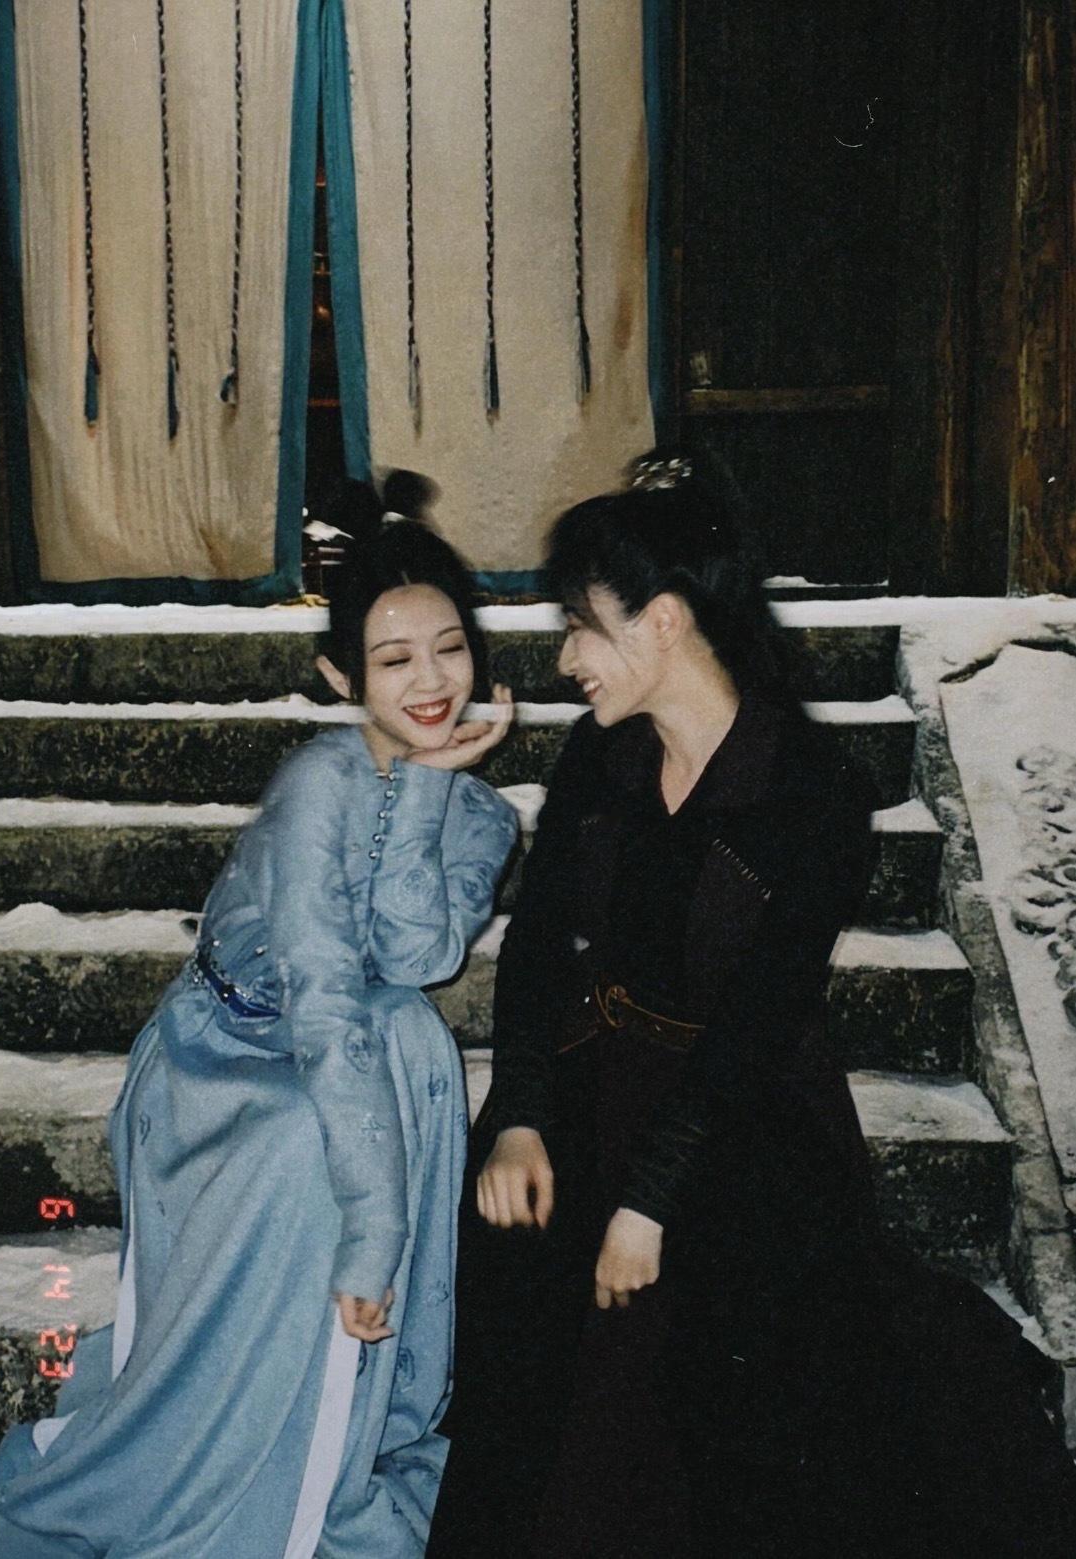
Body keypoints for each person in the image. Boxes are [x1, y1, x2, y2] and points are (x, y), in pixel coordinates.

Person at [427, 451, 1076, 1557]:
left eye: (582, 625)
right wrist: (522, 1108)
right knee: (526, 1296)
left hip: (736, 1112)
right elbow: (537, 944)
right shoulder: (599, 755)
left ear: (664, 621)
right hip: (587, 1086)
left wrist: (648, 1204)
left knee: (744, 1351)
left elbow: (756, 1024)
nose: (565, 656)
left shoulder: (812, 792)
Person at [0, 477, 518, 1559]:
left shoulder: (481, 811)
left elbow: (417, 954)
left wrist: (430, 785)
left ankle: (336, 1428)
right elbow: (323, 996)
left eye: (449, 649)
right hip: (223, 1058)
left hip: (339, 1053)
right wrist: (372, 1236)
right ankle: (234, 1453)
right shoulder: (316, 790)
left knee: (410, 1033)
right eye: (394, 660)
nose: (431, 681)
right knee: (322, 1130)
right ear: (340, 676)